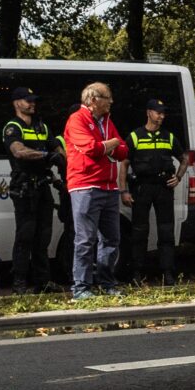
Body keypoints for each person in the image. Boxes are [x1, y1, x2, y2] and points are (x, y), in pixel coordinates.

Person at [62, 81, 125, 296]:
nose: (112, 101)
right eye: (108, 97)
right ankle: (81, 288)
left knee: (111, 239)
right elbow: (92, 149)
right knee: (85, 239)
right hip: (85, 186)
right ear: (93, 99)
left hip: (109, 187)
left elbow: (124, 150)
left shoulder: (107, 121)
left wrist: (111, 145)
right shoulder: (76, 120)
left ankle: (108, 284)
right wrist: (112, 144)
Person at [0, 85, 59, 292]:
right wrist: (45, 156)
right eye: (28, 100)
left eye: (33, 100)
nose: (32, 103)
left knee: (43, 237)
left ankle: (43, 282)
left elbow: (55, 145)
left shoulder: (40, 126)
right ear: (17, 103)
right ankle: (19, 283)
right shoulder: (12, 127)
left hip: (42, 185)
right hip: (24, 187)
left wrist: (59, 155)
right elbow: (18, 151)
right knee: (25, 235)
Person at [122, 98, 187, 282]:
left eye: (163, 113)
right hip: (141, 188)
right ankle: (137, 273)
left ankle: (167, 272)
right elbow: (124, 164)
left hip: (164, 187)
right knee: (139, 232)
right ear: (148, 113)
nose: (162, 116)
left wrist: (179, 177)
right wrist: (124, 191)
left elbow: (184, 158)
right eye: (158, 112)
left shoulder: (170, 136)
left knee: (166, 231)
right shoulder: (135, 136)